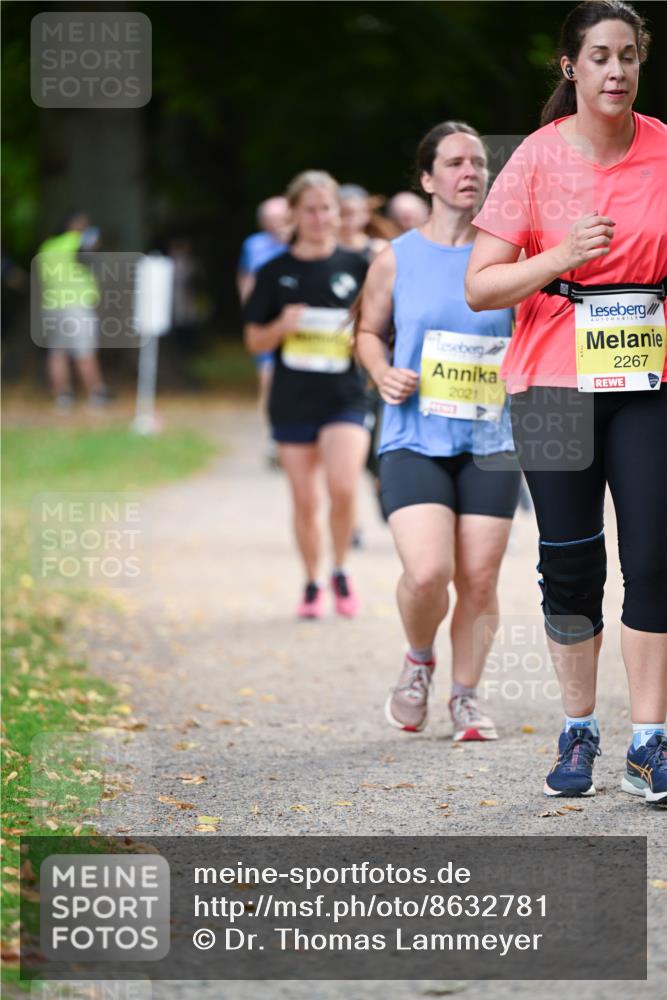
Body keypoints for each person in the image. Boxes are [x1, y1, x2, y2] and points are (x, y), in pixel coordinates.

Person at [465, 1, 666, 802]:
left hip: (647, 379)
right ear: (569, 69)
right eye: (599, 58)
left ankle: (649, 742)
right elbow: (480, 286)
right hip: (550, 382)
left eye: (627, 56)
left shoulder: (663, 150)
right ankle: (578, 729)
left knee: (652, 556)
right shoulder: (536, 161)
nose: (615, 71)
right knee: (572, 565)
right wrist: (555, 256)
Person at [356, 122, 521, 740]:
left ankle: (467, 698)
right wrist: (380, 370)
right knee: (428, 573)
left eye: (477, 161)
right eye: (454, 162)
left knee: (478, 578)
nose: (469, 171)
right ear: (427, 179)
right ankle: (419, 659)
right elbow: (369, 331)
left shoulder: (509, 253)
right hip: (413, 435)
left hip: (490, 441)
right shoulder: (395, 256)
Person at [243, 171, 371, 618]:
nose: (319, 217)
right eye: (310, 209)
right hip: (293, 398)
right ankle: (313, 580)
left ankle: (340, 568)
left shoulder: (360, 266)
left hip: (346, 396)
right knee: (305, 500)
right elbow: (255, 340)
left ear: (339, 213)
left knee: (343, 486)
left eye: (327, 208)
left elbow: (382, 327)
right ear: (294, 214)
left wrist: (366, 341)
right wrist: (281, 327)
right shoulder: (275, 272)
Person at [37, 212, 110, 410]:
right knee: (84, 351)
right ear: (75, 225)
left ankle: (63, 398)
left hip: (51, 305)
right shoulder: (77, 239)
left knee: (57, 353)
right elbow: (91, 247)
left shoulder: (48, 246)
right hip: (75, 305)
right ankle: (97, 394)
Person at [238, 197, 291, 444]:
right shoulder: (254, 244)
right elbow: (245, 277)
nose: (274, 223)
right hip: (267, 323)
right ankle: (274, 436)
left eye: (278, 217)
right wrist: (250, 312)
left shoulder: (298, 240)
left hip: (296, 322)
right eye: (269, 218)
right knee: (268, 378)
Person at [338, 185, 388, 263]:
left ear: (367, 215)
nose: (348, 220)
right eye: (342, 213)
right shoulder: (322, 251)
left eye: (352, 213)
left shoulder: (379, 250)